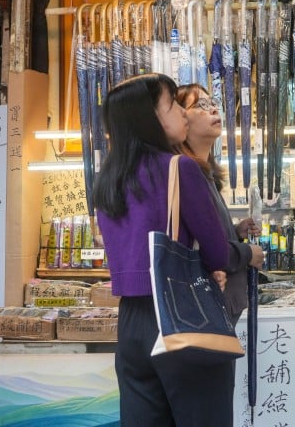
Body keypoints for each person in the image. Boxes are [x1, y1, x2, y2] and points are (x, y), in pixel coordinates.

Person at [91, 74, 234, 427]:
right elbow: (220, 254)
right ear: (149, 119)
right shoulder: (179, 168)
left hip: (131, 326)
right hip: (181, 314)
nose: (184, 115)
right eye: (172, 105)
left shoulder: (108, 178)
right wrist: (216, 264)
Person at [176, 83, 265, 324]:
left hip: (222, 304)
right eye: (201, 105)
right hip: (207, 305)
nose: (214, 109)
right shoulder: (186, 172)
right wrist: (247, 253)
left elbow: (205, 236)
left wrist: (234, 231)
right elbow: (203, 251)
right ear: (179, 118)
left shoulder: (206, 174)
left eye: (213, 102)